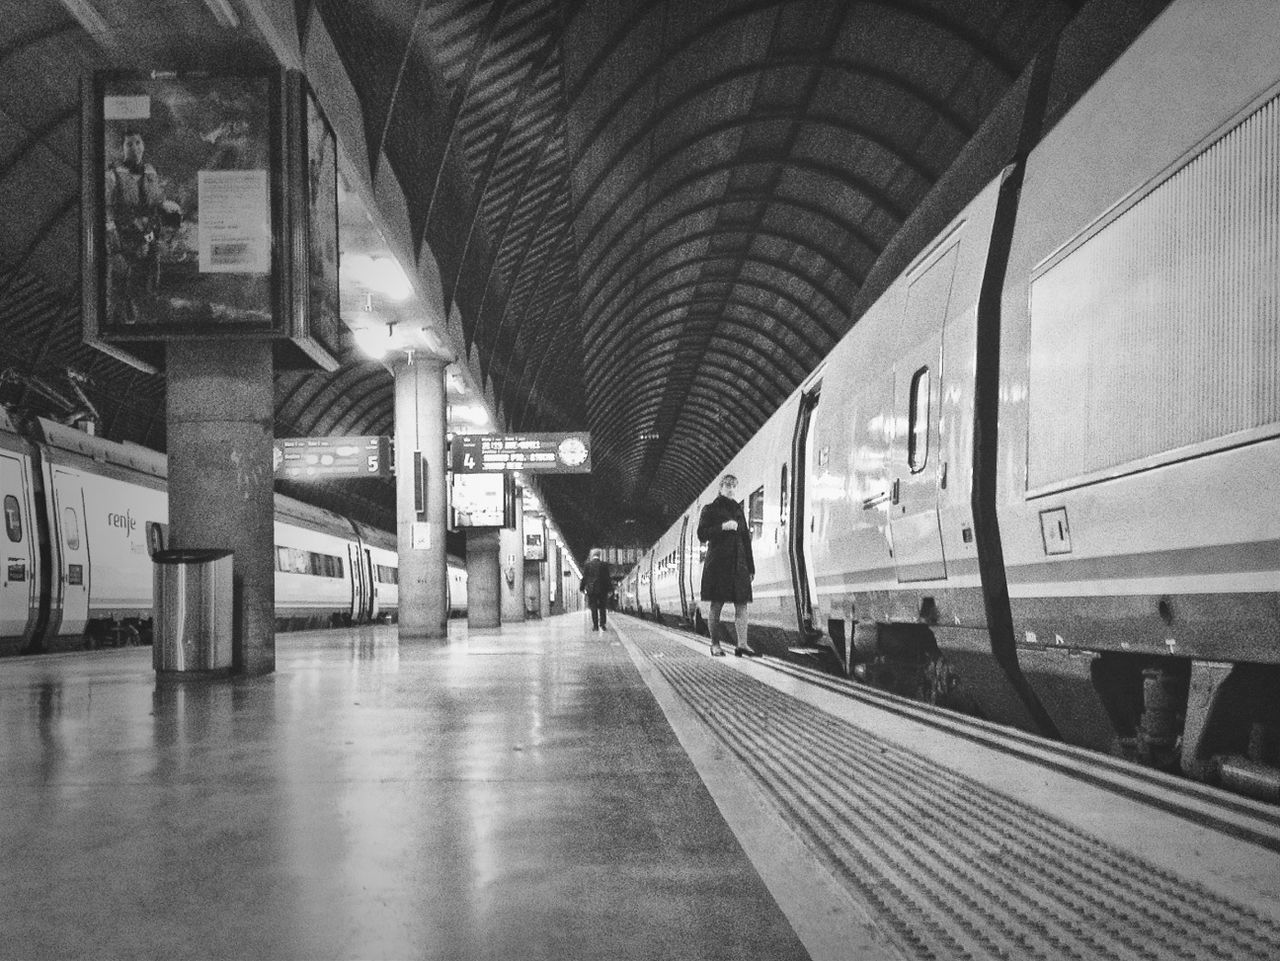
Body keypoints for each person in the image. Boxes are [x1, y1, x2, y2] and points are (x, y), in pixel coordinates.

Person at [104, 127, 179, 324]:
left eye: (138, 143)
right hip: (125, 238)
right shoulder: (112, 176)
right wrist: (114, 247)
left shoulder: (150, 172)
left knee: (150, 278)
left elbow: (156, 200)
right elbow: (107, 212)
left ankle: (146, 315)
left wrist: (167, 206)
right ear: (122, 148)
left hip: (149, 235)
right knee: (123, 282)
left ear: (143, 145)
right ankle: (125, 317)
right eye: (129, 144)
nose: (134, 148)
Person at [697, 472, 757, 657]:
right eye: (727, 486)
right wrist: (722, 527)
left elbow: (746, 539)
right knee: (717, 604)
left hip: (739, 564)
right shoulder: (710, 509)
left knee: (742, 604)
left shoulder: (738, 511)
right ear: (721, 488)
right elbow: (701, 534)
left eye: (733, 486)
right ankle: (715, 645)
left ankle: (742, 644)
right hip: (719, 565)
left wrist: (751, 567)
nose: (731, 489)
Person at [580, 548, 613, 631]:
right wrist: (610, 589)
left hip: (592, 590)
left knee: (593, 607)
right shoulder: (604, 565)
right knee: (602, 607)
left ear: (592, 555)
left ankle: (595, 626)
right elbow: (607, 578)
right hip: (602, 590)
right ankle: (602, 624)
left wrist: (582, 588)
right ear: (599, 555)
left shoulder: (588, 565)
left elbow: (585, 578)